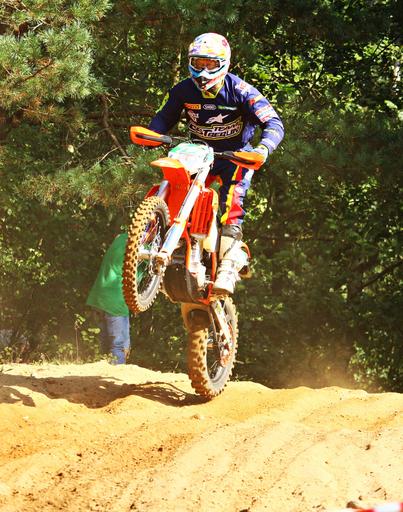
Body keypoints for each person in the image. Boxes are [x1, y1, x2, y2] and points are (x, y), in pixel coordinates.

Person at [148, 32, 284, 294]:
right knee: (176, 186)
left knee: (232, 202)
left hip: (235, 156)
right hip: (199, 153)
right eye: (198, 63)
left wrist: (263, 149)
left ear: (224, 64)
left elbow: (273, 122)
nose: (203, 71)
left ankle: (228, 265)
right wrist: (153, 133)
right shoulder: (182, 90)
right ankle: (168, 242)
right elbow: (164, 116)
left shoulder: (242, 91)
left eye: (210, 64)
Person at [86, 233, 130, 364]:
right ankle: (116, 373)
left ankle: (102, 370)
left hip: (98, 298)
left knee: (104, 346)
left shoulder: (121, 238)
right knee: (119, 346)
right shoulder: (145, 251)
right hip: (116, 302)